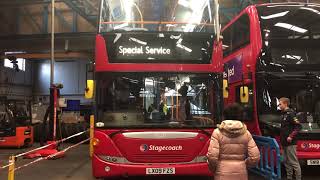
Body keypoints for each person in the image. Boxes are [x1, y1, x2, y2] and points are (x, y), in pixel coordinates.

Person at [207, 103, 260, 180]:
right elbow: (255, 157)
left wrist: (214, 168)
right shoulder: (246, 133)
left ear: (224, 115)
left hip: (222, 172)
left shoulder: (217, 132)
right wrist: (244, 164)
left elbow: (212, 156)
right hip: (241, 172)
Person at [278, 97, 302, 180]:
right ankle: (289, 178)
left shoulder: (291, 113)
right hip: (284, 142)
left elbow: (298, 126)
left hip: (291, 143)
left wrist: (291, 136)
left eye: (280, 104)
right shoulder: (283, 114)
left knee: (294, 162)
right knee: (286, 162)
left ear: (285, 104)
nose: (279, 105)